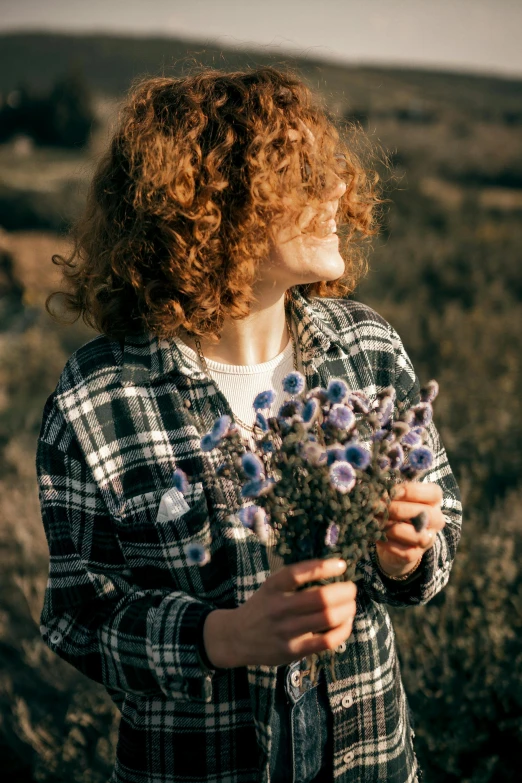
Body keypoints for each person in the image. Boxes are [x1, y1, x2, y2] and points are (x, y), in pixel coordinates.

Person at [36, 66, 462, 783]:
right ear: (209, 200)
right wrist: (223, 636)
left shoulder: (368, 349)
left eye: (328, 167)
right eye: (300, 172)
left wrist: (409, 552)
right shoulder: (98, 398)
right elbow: (81, 618)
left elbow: (442, 526)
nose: (337, 188)